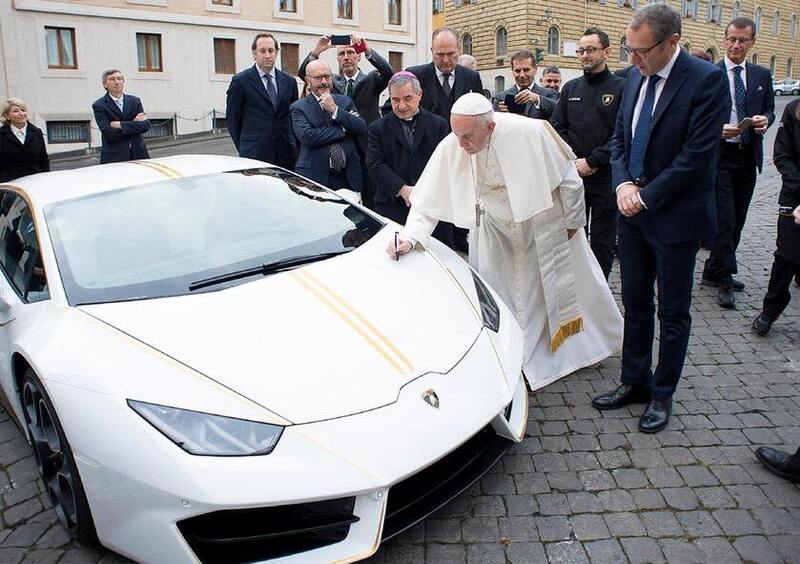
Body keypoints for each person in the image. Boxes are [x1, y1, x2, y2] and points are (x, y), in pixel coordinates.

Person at [388, 93, 623, 391]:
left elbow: (570, 180)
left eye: (468, 137)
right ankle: (511, 353)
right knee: (498, 294)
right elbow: (426, 200)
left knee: (545, 294)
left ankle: (567, 353)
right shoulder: (456, 142)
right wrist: (410, 238)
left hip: (540, 224)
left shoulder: (532, 133)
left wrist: (573, 223)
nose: (461, 145)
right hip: (495, 230)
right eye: (456, 135)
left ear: (490, 127)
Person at [592, 4, 729, 433]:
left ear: (672, 43)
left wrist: (644, 195)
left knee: (673, 312)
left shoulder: (706, 81)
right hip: (632, 212)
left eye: (641, 51)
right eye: (629, 51)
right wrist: (622, 186)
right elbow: (618, 141)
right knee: (635, 303)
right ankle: (634, 380)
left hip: (674, 217)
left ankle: (661, 393)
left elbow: (696, 158)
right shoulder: (634, 76)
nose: (632, 60)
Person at [701, 17, 775, 308]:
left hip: (748, 155)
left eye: (742, 40)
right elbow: (698, 115)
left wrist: (764, 120)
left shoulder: (761, 75)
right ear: (724, 39)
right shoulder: (710, 74)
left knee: (739, 219)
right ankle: (726, 278)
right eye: (731, 39)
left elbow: (769, 108)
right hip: (719, 156)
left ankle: (712, 269)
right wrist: (716, 129)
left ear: (752, 43)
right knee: (725, 219)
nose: (736, 45)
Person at [552, 28, 625, 279]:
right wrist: (576, 159)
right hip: (574, 176)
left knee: (603, 242)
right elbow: (557, 127)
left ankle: (600, 289)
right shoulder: (571, 88)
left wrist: (594, 160)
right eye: (581, 50)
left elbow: (622, 134)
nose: (585, 55)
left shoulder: (621, 88)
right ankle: (577, 285)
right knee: (573, 235)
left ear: (606, 51)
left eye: (591, 49)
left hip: (606, 177)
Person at [299, 35, 393, 210]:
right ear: (337, 59)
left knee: (370, 195)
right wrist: (317, 50)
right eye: (341, 54)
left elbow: (389, 73)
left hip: (367, 145)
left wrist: (367, 49)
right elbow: (305, 72)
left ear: (358, 57)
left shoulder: (372, 79)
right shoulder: (331, 80)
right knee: (345, 198)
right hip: (342, 147)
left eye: (350, 52)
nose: (346, 57)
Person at [366, 72, 453, 246]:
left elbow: (445, 165)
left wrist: (423, 192)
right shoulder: (377, 128)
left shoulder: (439, 125)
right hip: (392, 206)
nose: (401, 105)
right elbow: (374, 164)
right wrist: (403, 189)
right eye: (395, 99)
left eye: (407, 98)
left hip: (432, 207)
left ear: (419, 95)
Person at [751, 101, 800, 336]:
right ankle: (770, 309)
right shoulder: (793, 110)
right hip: (794, 194)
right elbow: (782, 154)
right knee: (786, 256)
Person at [291, 60, 366, 201]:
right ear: (308, 80)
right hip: (314, 177)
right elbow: (309, 137)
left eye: (327, 76)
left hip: (348, 176)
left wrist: (335, 110)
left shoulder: (345, 102)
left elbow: (360, 127)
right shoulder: (298, 108)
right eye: (318, 78)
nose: (324, 81)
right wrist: (343, 129)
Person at [226, 33, 299, 170]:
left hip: (286, 154)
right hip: (254, 154)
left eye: (271, 51)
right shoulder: (240, 81)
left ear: (277, 53)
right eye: (262, 51)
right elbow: (233, 120)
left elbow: (293, 117)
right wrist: (245, 147)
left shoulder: (289, 81)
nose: (267, 55)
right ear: (254, 53)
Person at [407, 27, 484, 125]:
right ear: (432, 51)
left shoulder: (472, 78)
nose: (446, 60)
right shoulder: (415, 76)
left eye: (451, 54)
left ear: (459, 50)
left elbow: (482, 111)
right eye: (440, 54)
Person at [91, 69, 149, 164]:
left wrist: (119, 125)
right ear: (105, 84)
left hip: (139, 154)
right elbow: (109, 133)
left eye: (119, 79)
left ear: (123, 82)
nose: (117, 82)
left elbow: (145, 126)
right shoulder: (99, 105)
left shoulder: (135, 101)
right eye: (112, 79)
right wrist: (134, 125)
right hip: (114, 157)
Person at [492, 50, 557, 120]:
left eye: (526, 70)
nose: (522, 75)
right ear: (512, 71)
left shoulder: (549, 94)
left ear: (535, 69)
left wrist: (537, 99)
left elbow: (557, 112)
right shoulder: (501, 98)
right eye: (517, 71)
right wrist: (503, 116)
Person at [0, 98, 49, 182]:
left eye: (23, 110)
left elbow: (43, 160)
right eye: (16, 111)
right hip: (11, 184)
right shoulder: (1, 134)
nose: (21, 114)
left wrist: (45, 179)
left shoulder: (36, 132)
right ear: (7, 115)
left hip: (35, 181)